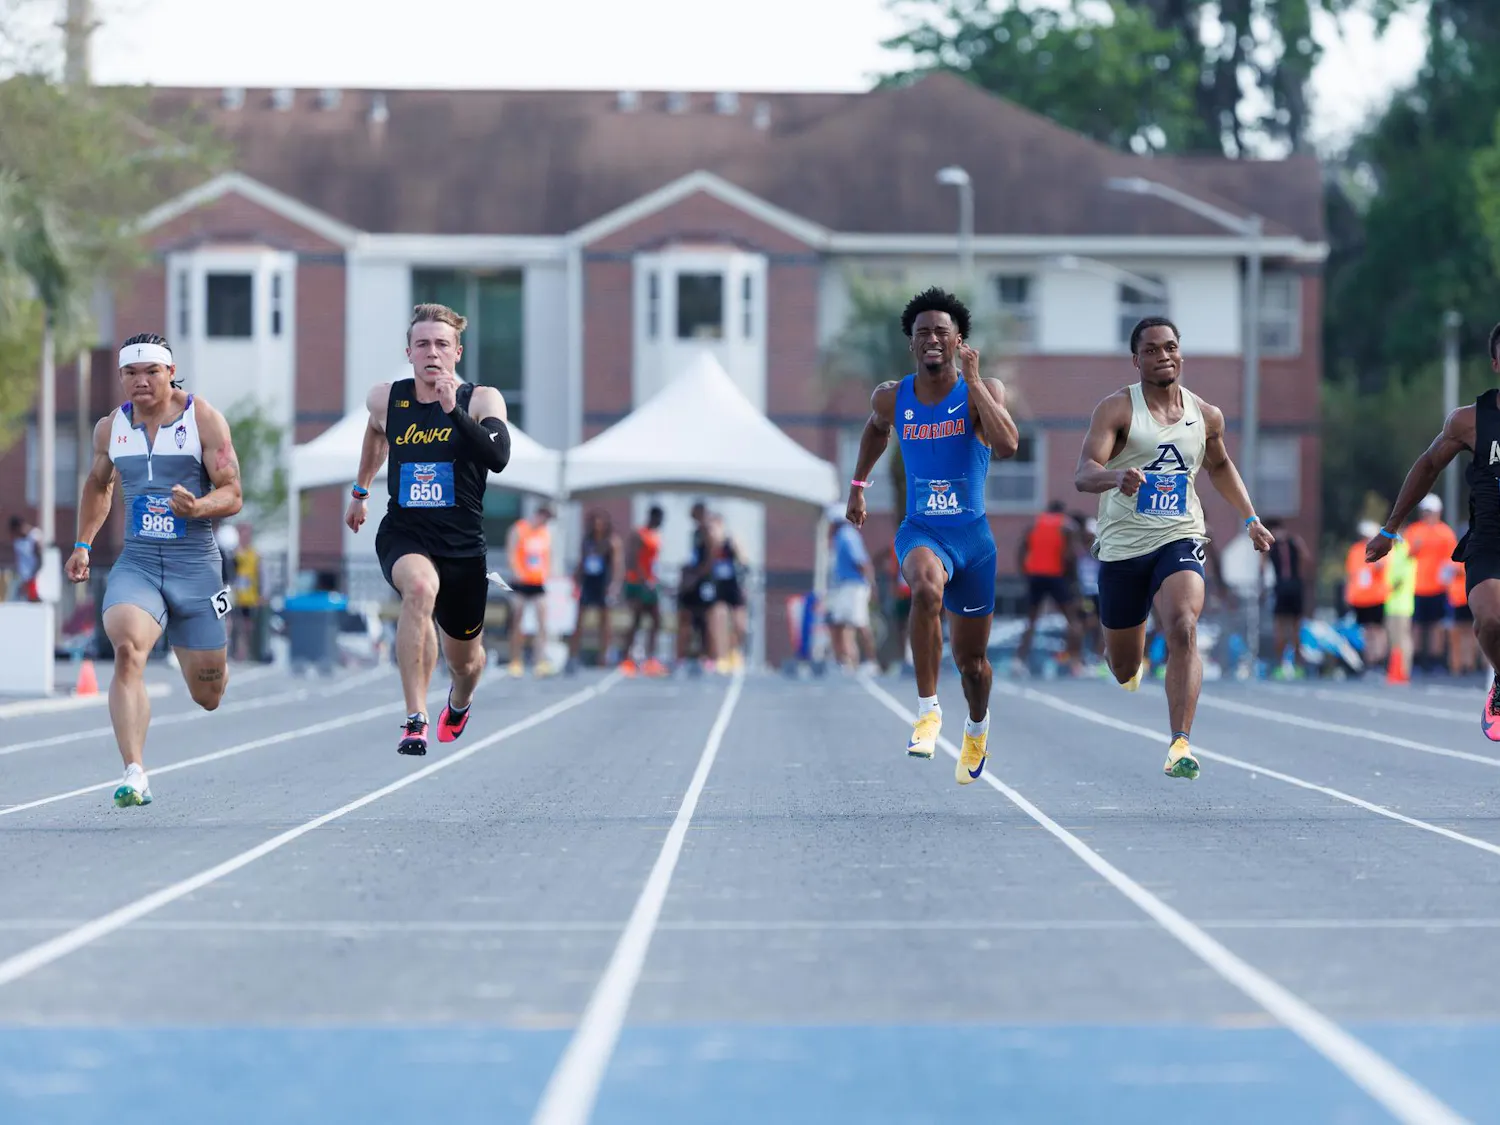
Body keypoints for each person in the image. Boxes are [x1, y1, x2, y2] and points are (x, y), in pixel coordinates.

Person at [1074, 317, 1274, 781]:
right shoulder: (1118, 409)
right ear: (1136, 359)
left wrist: (1250, 518)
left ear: (1180, 353)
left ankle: (1179, 742)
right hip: (1123, 546)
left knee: (1183, 625)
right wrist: (1115, 478)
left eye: (1170, 347)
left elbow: (1221, 467)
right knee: (1123, 666)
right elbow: (1083, 474)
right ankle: (1130, 660)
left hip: (1179, 534)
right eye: (1151, 350)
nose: (1163, 356)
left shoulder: (1205, 415)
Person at [846, 287, 1020, 784]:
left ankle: (977, 728)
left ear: (959, 339)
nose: (932, 340)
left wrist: (975, 380)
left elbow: (1007, 445)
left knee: (973, 664)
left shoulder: (984, 391)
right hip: (922, 528)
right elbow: (877, 428)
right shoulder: (892, 396)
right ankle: (927, 712)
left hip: (973, 539)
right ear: (912, 344)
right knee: (924, 588)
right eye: (922, 333)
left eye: (942, 331)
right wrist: (858, 487)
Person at [65, 332, 244, 807]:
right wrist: (83, 543)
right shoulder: (110, 428)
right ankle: (135, 772)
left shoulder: (201, 418)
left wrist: (199, 506)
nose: (140, 381)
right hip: (139, 563)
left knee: (209, 693)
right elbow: (98, 486)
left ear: (170, 372)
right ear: (121, 377)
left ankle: (209, 661)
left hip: (196, 567)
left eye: (151, 371)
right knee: (127, 651)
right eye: (131, 373)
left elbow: (234, 493)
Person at [346, 303, 511, 755]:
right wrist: (361, 491)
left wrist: (451, 410)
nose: (432, 353)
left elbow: (498, 458)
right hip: (406, 533)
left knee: (467, 663)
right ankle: (414, 718)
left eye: (442, 344)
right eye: (423, 344)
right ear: (409, 351)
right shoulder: (386, 397)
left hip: (462, 547)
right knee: (419, 588)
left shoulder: (481, 400)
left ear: (458, 352)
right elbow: (377, 432)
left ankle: (458, 703)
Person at [1368, 326, 1500, 733]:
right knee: (1491, 621)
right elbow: (1427, 466)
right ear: (1496, 364)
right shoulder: (1470, 421)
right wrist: (1391, 528)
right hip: (1489, 541)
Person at [1015, 501, 1080, 673]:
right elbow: (1070, 555)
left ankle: (1018, 661)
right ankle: (1075, 662)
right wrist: (1073, 580)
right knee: (1073, 620)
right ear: (1062, 512)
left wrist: (1025, 573)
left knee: (1031, 620)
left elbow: (1022, 549)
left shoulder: (1034, 523)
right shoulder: (1067, 525)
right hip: (1056, 576)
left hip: (1035, 575)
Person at [1405, 494, 1459, 673]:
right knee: (1418, 626)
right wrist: (1415, 547)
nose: (1429, 516)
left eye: (1432, 512)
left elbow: (1452, 558)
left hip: (1438, 587)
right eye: (1426, 512)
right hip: (1418, 586)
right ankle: (1418, 660)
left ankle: (1435, 661)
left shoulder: (1445, 532)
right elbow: (1406, 554)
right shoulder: (1414, 531)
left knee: (1436, 625)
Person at [566, 510, 622, 672]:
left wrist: (614, 586)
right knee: (579, 619)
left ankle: (603, 656)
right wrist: (575, 580)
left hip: (603, 583)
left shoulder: (612, 542)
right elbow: (582, 562)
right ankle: (573, 655)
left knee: (604, 621)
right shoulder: (587, 541)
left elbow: (617, 567)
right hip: (589, 582)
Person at [506, 504, 555, 677]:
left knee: (542, 622)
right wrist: (516, 571)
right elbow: (511, 552)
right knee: (517, 621)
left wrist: (547, 573)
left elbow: (547, 556)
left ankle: (539, 660)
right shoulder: (520, 529)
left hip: (537, 582)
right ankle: (515, 660)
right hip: (521, 582)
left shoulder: (545, 534)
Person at [619, 505, 667, 676]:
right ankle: (627, 658)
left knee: (655, 620)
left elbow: (653, 562)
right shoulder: (639, 534)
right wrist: (643, 579)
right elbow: (632, 558)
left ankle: (650, 659)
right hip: (638, 583)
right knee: (636, 620)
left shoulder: (656, 536)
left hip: (651, 583)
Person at [826, 510, 877, 671]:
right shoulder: (841, 537)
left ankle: (870, 661)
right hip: (844, 586)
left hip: (854, 586)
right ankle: (845, 660)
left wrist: (871, 585)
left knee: (860, 623)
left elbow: (861, 562)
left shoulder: (846, 536)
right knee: (840, 623)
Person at [1262, 516, 1310, 677]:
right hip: (1296, 586)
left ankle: (1281, 665)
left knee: (1280, 627)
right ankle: (1297, 667)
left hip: (1281, 587)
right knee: (1296, 628)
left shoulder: (1270, 544)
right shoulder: (1295, 540)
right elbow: (1306, 557)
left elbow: (1262, 567)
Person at [1345, 519, 1389, 666]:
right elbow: (1352, 574)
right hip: (1360, 598)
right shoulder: (1355, 550)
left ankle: (1379, 659)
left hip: (1375, 597)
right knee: (1366, 631)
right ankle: (1369, 659)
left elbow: (1382, 567)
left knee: (1377, 630)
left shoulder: (1378, 548)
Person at [709, 515, 748, 671]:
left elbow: (744, 560)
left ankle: (734, 651)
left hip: (734, 586)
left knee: (740, 625)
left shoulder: (730, 541)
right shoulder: (709, 544)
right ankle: (722, 656)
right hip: (718, 588)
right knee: (719, 621)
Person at [8, 515, 43, 601]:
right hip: (21, 576)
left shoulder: (34, 536)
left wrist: (32, 576)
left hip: (33, 577)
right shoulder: (17, 540)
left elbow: (40, 558)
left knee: (32, 600)